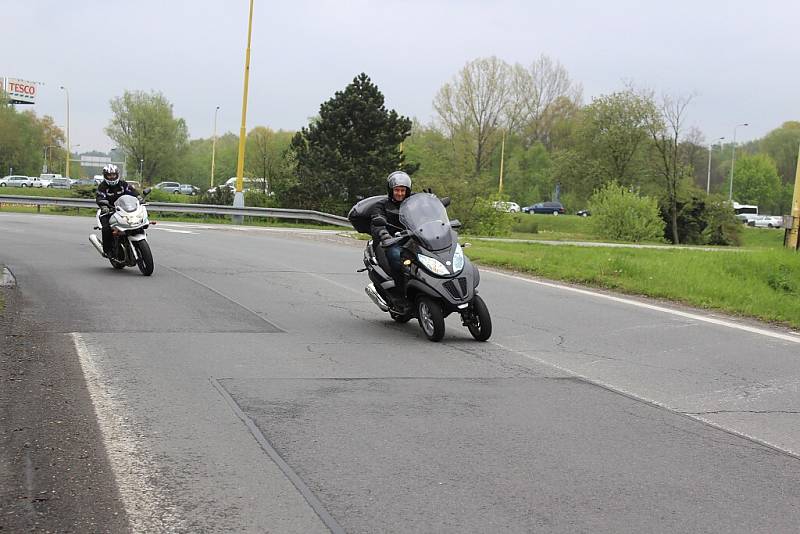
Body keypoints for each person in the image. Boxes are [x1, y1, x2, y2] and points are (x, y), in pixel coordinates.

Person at [370, 171, 415, 307]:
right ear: (391, 190)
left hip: (413, 238)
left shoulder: (413, 202)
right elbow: (376, 222)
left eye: (403, 190)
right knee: (397, 257)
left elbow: (427, 213)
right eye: (397, 190)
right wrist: (383, 233)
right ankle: (401, 292)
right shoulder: (381, 205)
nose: (400, 193)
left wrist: (433, 201)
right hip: (391, 241)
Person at [95, 164, 138, 256]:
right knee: (106, 229)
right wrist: (103, 206)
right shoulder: (102, 186)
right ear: (105, 176)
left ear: (117, 174)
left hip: (123, 209)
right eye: (109, 175)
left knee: (135, 221)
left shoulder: (123, 184)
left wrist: (139, 197)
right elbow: (99, 197)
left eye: (114, 175)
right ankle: (107, 250)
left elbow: (132, 191)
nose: (112, 177)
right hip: (108, 210)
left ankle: (136, 240)